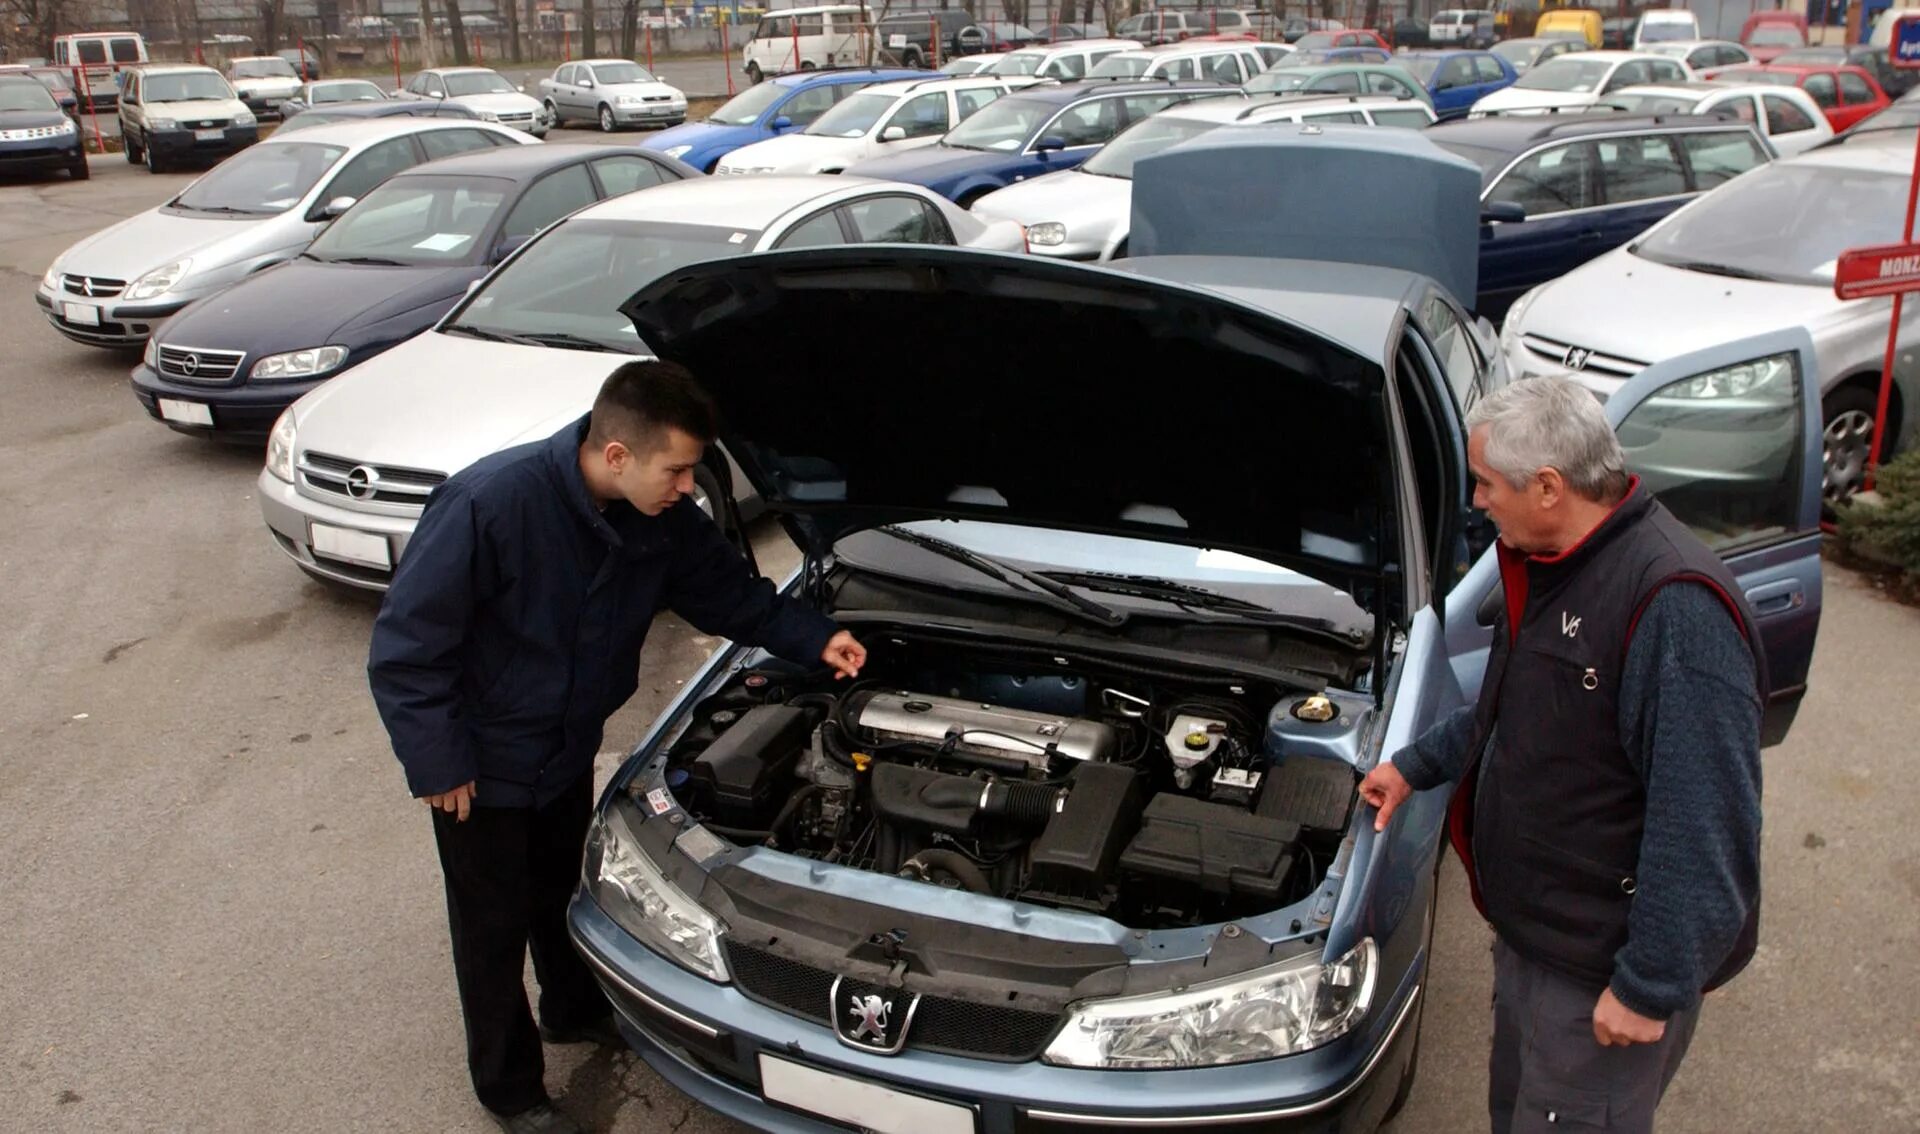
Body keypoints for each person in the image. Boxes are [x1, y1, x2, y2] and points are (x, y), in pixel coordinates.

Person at [368, 360, 866, 1133]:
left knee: (559, 891)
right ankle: (511, 1091)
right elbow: (407, 648)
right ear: (616, 455)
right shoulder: (490, 504)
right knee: (490, 929)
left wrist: (817, 637)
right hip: (481, 769)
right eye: (676, 469)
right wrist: (438, 763)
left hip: (565, 748)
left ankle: (570, 1009)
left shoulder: (661, 517)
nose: (686, 485)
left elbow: (730, 595)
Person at [1358, 377, 1765, 1134]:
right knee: (1515, 1114)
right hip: (1536, 938)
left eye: (1484, 484)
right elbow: (1511, 711)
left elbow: (1705, 822)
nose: (1477, 502)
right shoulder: (1553, 559)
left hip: (1600, 971)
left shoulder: (1673, 606)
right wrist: (1414, 767)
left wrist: (1650, 985)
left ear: (1548, 486)